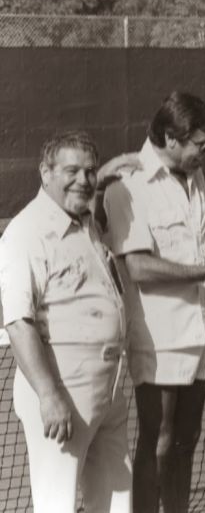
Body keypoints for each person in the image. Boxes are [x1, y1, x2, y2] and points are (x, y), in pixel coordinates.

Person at [103, 91, 205, 513]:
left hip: (198, 335)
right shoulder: (128, 186)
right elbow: (138, 267)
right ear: (171, 138)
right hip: (158, 339)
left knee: (187, 440)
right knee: (159, 441)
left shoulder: (193, 175)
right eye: (201, 145)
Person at [0, 130, 133, 512]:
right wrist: (49, 395)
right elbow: (19, 322)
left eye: (90, 171)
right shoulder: (26, 232)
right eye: (71, 171)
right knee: (57, 503)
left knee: (116, 502)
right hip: (62, 388)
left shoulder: (86, 222)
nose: (83, 180)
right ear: (46, 173)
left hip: (107, 388)